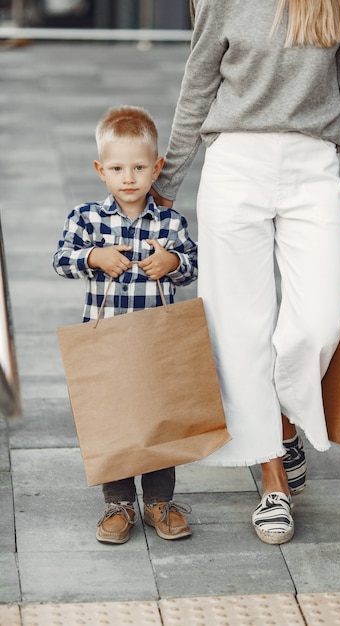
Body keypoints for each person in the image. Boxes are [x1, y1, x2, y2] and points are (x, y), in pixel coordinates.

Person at [151, 0, 340, 545]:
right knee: (239, 326)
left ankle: (287, 419)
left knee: (320, 322)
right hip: (235, 167)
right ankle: (273, 478)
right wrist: (168, 184)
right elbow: (196, 85)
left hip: (312, 168)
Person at [53, 105, 198, 544]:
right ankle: (118, 504)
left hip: (158, 345)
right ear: (101, 170)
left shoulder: (170, 223)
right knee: (113, 420)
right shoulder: (87, 220)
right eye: (117, 168)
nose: (129, 178)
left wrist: (172, 261)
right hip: (108, 344)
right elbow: (61, 259)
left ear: (157, 168)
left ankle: (159, 501)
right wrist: (93, 256)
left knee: (158, 418)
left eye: (138, 167)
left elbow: (192, 265)